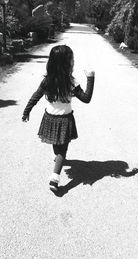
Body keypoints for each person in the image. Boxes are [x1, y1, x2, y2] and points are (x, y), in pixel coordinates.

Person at [22, 45, 95, 192]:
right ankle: (54, 178)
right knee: (62, 150)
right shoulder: (71, 82)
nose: (73, 61)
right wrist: (91, 78)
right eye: (72, 59)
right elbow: (86, 99)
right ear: (68, 63)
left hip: (49, 118)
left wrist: (26, 111)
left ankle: (58, 161)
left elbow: (35, 96)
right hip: (65, 120)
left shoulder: (47, 80)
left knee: (57, 147)